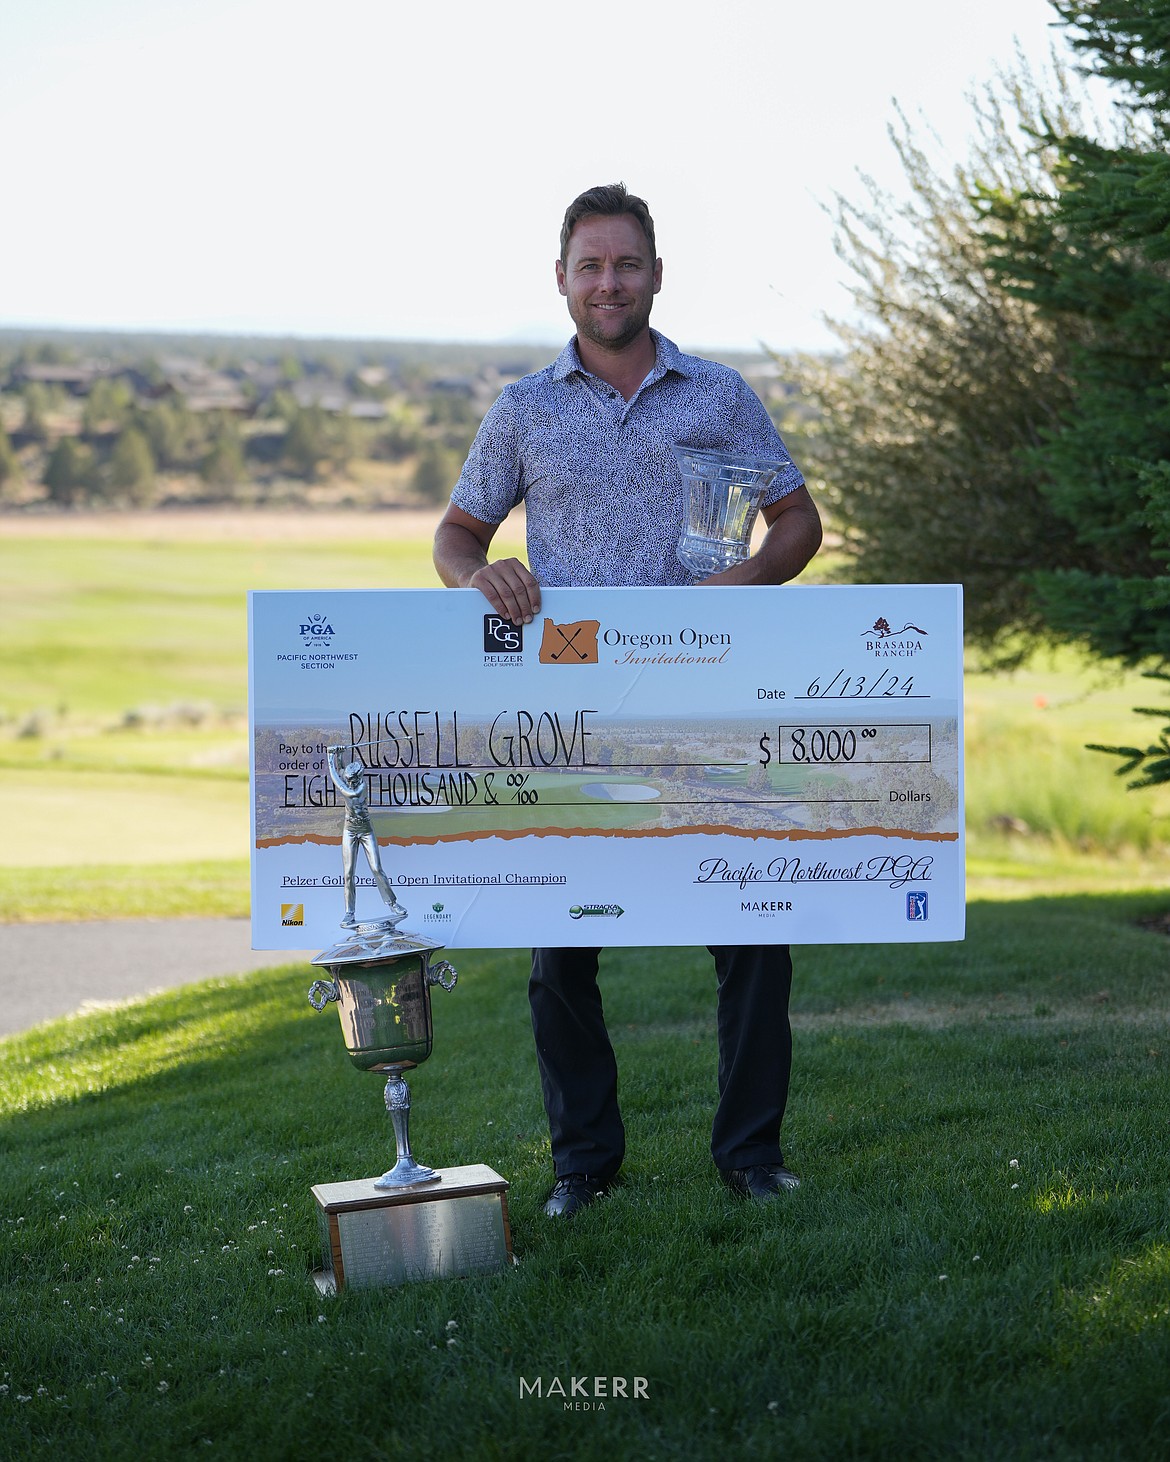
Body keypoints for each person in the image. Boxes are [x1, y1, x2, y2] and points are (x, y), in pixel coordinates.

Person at [433, 183, 822, 1217]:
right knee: (560, 954)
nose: (610, 282)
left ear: (658, 274)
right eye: (591, 265)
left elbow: (796, 525)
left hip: (708, 707)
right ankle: (584, 1167)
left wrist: (737, 585)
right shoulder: (525, 408)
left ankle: (750, 1156)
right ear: (562, 279)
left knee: (752, 936)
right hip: (573, 716)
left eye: (628, 264)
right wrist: (482, 576)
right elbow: (456, 535)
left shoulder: (721, 395)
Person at [326, 744, 406, 930]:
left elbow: (336, 779)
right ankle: (349, 912)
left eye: (351, 779)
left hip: (365, 830)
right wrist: (339, 755)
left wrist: (330, 758)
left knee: (377, 868)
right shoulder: (351, 781)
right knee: (348, 873)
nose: (349, 782)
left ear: (357, 778)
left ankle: (392, 903)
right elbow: (341, 771)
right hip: (350, 831)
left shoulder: (358, 789)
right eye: (348, 779)